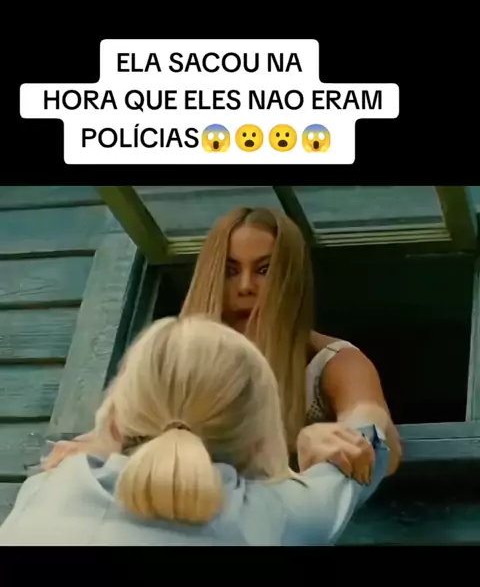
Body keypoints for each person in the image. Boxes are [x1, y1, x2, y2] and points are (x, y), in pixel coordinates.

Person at [44, 206, 402, 482]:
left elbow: (371, 419)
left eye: (264, 270)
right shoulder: (167, 358)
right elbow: (114, 428)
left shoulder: (333, 361)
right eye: (230, 270)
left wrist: (344, 435)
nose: (245, 286)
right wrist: (94, 446)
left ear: (289, 278)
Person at [0, 316, 390, 547]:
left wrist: (98, 444)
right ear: (259, 439)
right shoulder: (279, 516)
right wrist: (320, 433)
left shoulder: (48, 488)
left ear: (116, 419)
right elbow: (369, 442)